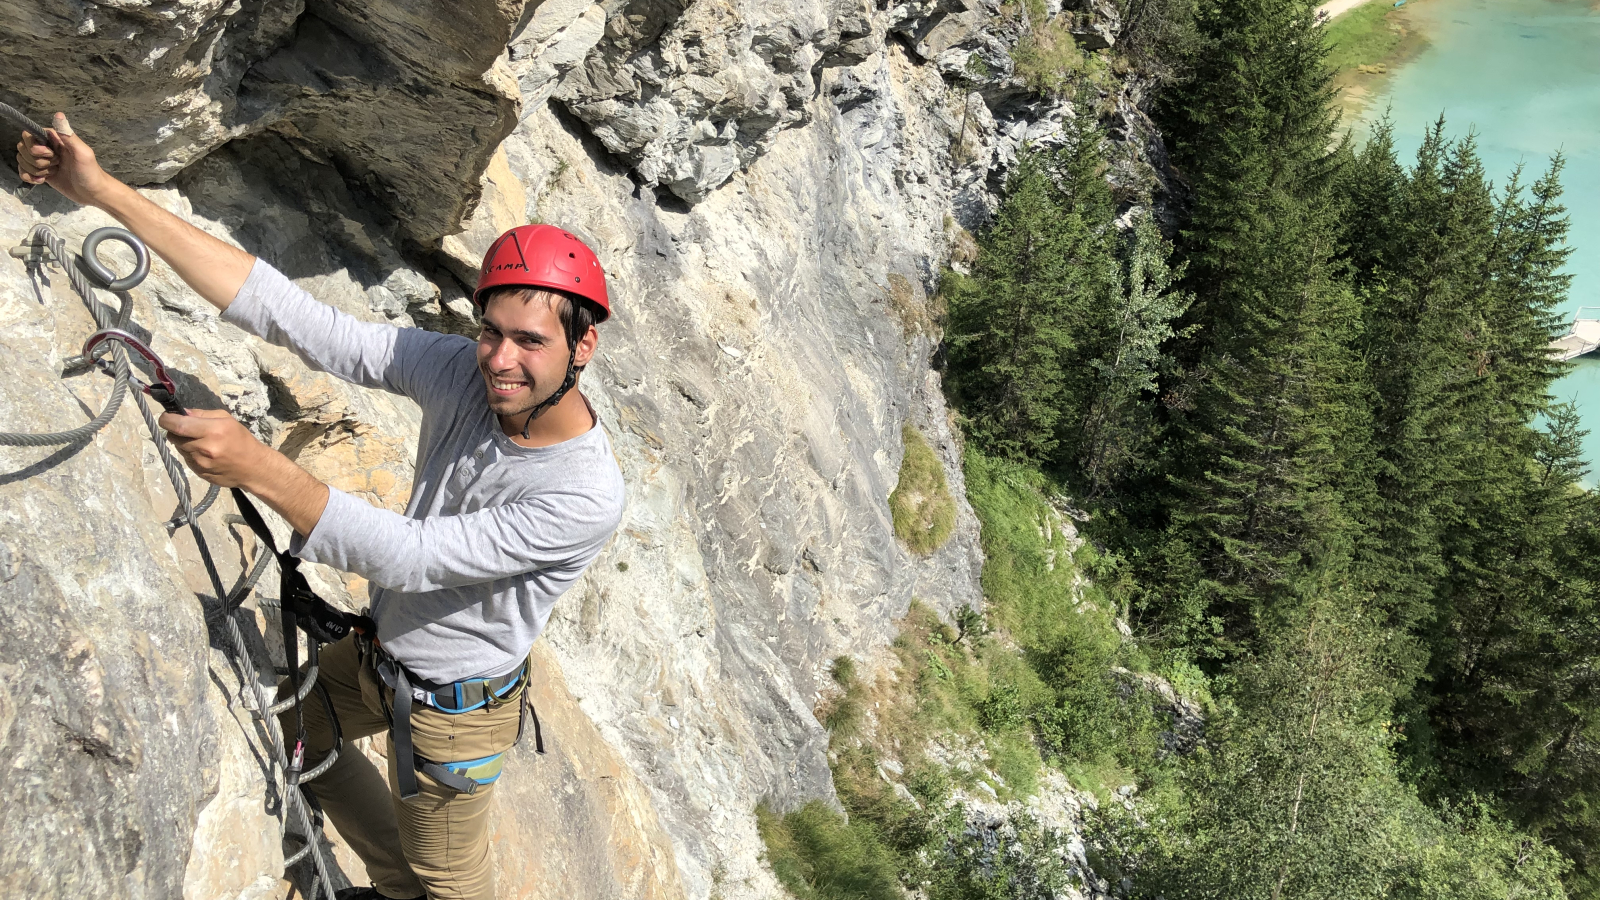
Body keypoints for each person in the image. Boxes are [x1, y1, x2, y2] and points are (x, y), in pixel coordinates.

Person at [18, 114, 627, 900]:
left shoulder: (582, 493)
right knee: (302, 727)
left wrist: (260, 466)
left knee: (452, 876)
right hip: (379, 656)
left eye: (529, 342)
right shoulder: (460, 371)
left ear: (583, 347)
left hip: (453, 714)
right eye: (489, 331)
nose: (499, 360)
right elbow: (306, 324)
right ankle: (393, 889)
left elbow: (411, 555)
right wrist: (99, 190)